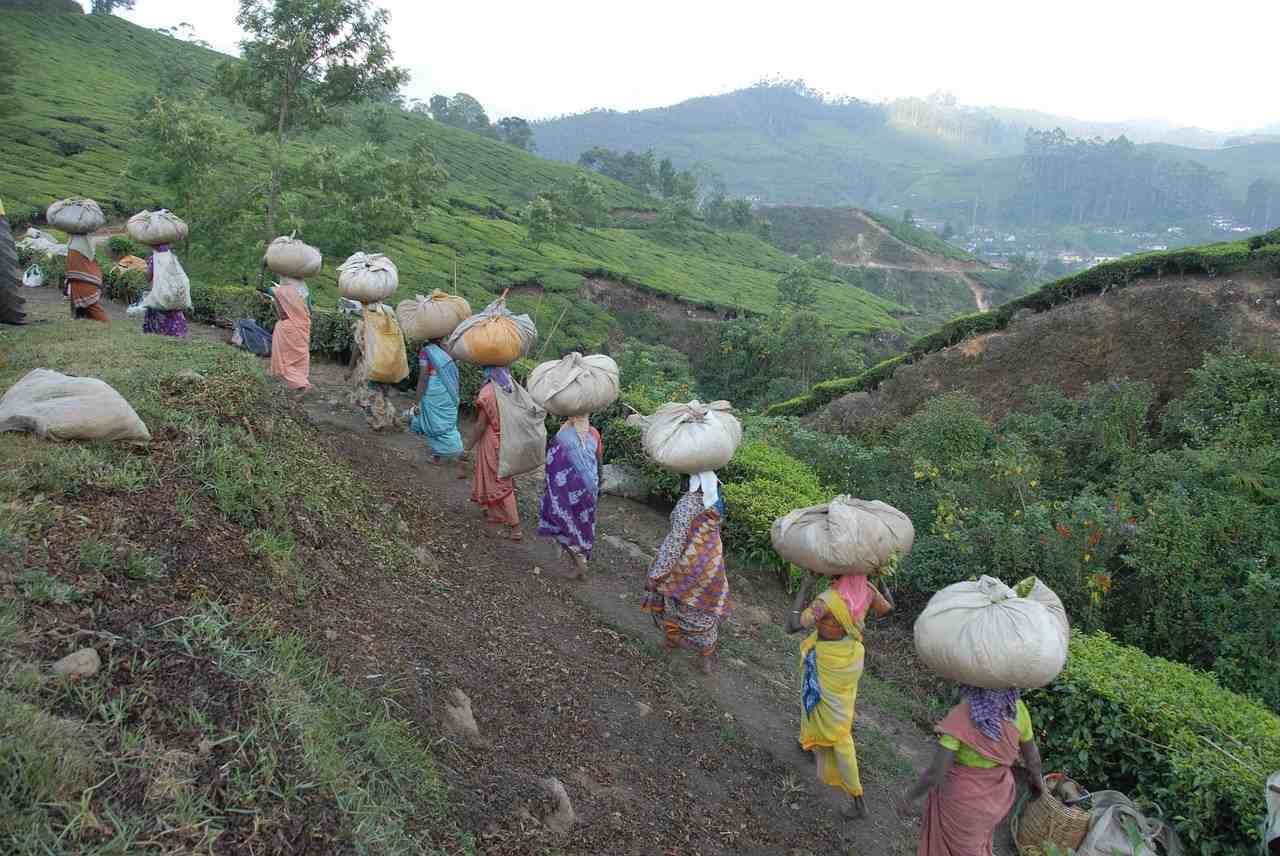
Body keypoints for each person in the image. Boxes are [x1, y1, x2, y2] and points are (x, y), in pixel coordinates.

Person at [784, 572, 893, 819]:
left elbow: (791, 627)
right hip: (849, 660)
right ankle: (806, 743)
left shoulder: (827, 600)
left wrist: (806, 585)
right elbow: (888, 609)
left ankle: (857, 800)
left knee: (839, 733)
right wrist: (879, 579)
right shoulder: (868, 591)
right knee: (817, 703)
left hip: (829, 664)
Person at [898, 685, 1046, 855]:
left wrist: (910, 797)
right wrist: (1038, 782)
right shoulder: (1017, 710)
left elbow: (936, 773)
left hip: (963, 802)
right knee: (975, 844)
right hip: (997, 799)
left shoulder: (963, 714)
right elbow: (1033, 759)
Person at [641, 472, 729, 674]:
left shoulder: (687, 505)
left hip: (686, 570)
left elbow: (675, 544)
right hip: (712, 569)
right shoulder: (715, 502)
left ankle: (674, 639)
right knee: (704, 615)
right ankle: (705, 656)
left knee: (672, 605)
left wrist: (656, 575)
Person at [537, 414, 603, 579]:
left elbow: (553, 462)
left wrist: (548, 486)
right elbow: (598, 460)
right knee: (581, 526)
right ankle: (581, 560)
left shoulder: (563, 434)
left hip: (567, 489)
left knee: (559, 522)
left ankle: (580, 563)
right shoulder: (594, 433)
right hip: (589, 489)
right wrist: (598, 484)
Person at [466, 366, 522, 541]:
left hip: (492, 441)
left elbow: (481, 425)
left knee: (500, 482)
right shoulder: (510, 388)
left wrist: (467, 447)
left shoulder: (488, 392)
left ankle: (515, 526)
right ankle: (496, 514)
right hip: (508, 439)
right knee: (501, 478)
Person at [410, 338, 464, 465]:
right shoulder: (449, 348)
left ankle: (439, 455)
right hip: (450, 391)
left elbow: (423, 378)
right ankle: (451, 452)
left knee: (434, 422)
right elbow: (453, 371)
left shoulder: (426, 351)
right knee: (447, 422)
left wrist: (416, 401)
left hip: (434, 391)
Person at [262, 277, 312, 392]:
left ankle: (303, 384)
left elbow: (259, 287)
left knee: (284, 359)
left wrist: (262, 267)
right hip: (304, 325)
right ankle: (300, 381)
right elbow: (310, 311)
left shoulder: (282, 291)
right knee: (301, 356)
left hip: (287, 326)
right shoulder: (305, 292)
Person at [140, 244, 188, 337]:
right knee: (173, 310)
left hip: (158, 291)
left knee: (158, 310)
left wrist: (145, 270)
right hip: (173, 290)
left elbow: (149, 277)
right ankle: (177, 331)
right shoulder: (173, 258)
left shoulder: (154, 259)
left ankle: (157, 331)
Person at [65, 233, 107, 322]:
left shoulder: (81, 241)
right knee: (80, 296)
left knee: (88, 299)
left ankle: (102, 321)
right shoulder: (78, 240)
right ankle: (79, 317)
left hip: (82, 265)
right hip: (80, 268)